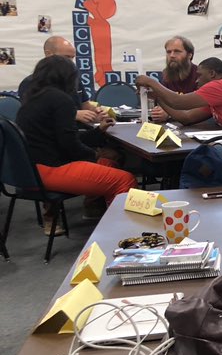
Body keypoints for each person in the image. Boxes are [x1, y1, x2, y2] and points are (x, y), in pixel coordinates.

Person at [15, 56, 135, 230]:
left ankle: (98, 213)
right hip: (51, 168)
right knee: (125, 179)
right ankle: (122, 234)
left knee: (110, 163)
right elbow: (70, 145)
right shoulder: (61, 100)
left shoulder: (32, 98)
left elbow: (64, 138)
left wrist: (98, 131)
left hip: (31, 168)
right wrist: (93, 155)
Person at [136, 57, 222, 136]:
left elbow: (178, 102)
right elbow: (186, 118)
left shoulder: (220, 86)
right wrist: (157, 97)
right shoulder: (217, 95)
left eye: (200, 76)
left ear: (212, 74)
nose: (196, 81)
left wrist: (150, 81)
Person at [17, 36, 104, 127]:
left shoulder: (74, 79)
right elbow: (35, 116)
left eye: (72, 58)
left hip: (80, 130)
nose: (71, 62)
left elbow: (85, 105)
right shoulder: (31, 83)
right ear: (49, 54)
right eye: (66, 57)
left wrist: (96, 112)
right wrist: (72, 114)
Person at [149, 35, 200, 122]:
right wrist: (159, 112)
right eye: (169, 52)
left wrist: (169, 114)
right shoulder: (166, 74)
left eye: (177, 51)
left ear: (189, 55)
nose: (172, 55)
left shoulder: (200, 75)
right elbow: (162, 102)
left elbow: (201, 108)